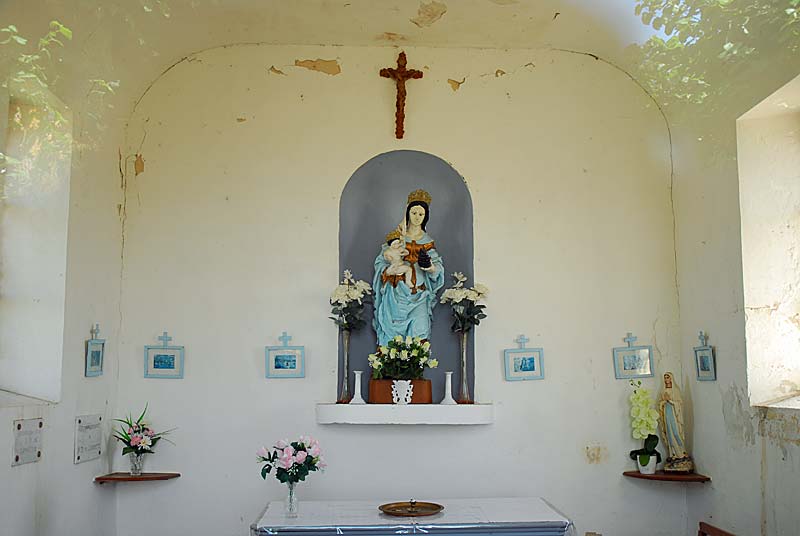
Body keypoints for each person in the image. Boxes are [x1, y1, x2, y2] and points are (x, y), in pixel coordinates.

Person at [372, 189, 444, 346]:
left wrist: (430, 267)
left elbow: (437, 267)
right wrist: (388, 270)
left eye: (421, 214)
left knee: (420, 330)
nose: (417, 217)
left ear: (426, 217)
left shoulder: (428, 242)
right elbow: (381, 262)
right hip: (396, 293)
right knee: (392, 337)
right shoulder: (396, 239)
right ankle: (389, 363)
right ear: (407, 213)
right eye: (414, 213)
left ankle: (417, 366)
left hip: (419, 294)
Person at [658, 372, 694, 472]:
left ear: (671, 379)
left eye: (668, 377)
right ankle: (673, 453)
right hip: (667, 413)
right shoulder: (663, 391)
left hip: (674, 414)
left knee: (676, 432)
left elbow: (679, 403)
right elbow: (660, 403)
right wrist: (664, 402)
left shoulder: (676, 390)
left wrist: (671, 401)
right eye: (665, 378)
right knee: (669, 434)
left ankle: (681, 452)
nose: (666, 379)